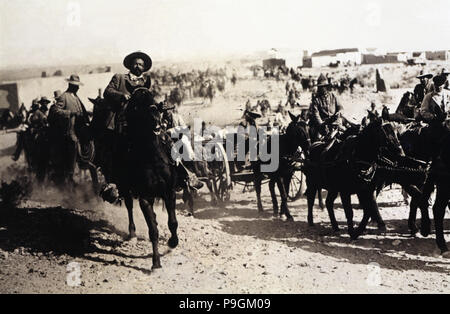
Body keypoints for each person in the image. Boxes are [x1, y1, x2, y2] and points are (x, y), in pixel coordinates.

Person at [48, 74, 90, 186]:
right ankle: (70, 172)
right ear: (70, 85)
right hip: (70, 129)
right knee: (73, 142)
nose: (77, 87)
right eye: (75, 85)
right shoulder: (64, 96)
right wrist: (70, 113)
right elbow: (55, 111)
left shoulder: (76, 97)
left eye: (77, 85)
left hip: (81, 128)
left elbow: (82, 112)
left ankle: (88, 164)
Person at [309, 74, 344, 141]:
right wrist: (322, 124)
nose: (322, 88)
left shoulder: (333, 96)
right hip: (323, 125)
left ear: (327, 87)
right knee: (317, 141)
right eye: (321, 87)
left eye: (324, 86)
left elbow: (340, 107)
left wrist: (339, 112)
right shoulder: (316, 99)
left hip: (335, 123)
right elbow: (316, 115)